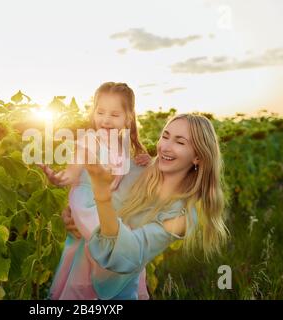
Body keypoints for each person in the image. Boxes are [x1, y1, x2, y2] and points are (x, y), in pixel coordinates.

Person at [82, 113, 229, 299]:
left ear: (198, 157)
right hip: (76, 277)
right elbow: (85, 198)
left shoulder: (182, 217)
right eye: (165, 136)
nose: (165, 147)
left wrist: (101, 195)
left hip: (114, 293)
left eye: (180, 142)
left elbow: (127, 254)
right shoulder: (136, 168)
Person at [40, 82, 151, 299]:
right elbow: (72, 173)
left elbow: (137, 185)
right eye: (100, 112)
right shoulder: (88, 141)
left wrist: (147, 163)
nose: (106, 119)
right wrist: (59, 178)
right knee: (99, 266)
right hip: (88, 208)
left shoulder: (127, 148)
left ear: (128, 118)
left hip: (112, 211)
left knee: (94, 269)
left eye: (114, 114)